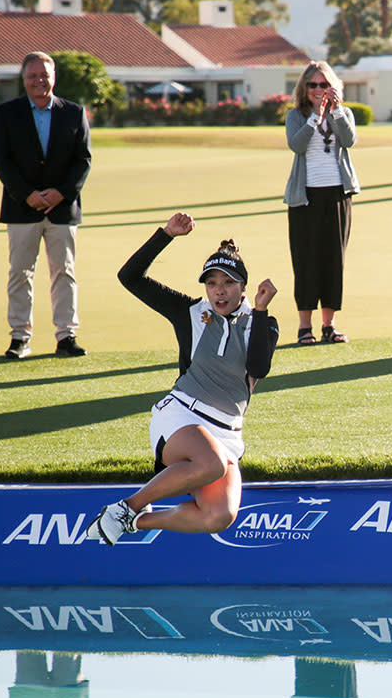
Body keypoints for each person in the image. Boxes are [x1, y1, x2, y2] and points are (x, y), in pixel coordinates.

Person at [87, 213, 279, 544]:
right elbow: (130, 277)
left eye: (228, 283)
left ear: (243, 286)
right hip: (181, 415)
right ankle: (126, 507)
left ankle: (134, 522)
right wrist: (165, 235)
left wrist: (260, 311)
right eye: (211, 283)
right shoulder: (190, 312)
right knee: (212, 464)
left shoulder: (261, 322)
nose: (219, 292)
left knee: (218, 516)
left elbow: (259, 368)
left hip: (227, 434)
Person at [0, 50, 92, 359]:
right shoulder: (6, 113)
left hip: (62, 209)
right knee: (20, 273)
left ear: (53, 78)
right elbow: (2, 161)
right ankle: (20, 337)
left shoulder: (73, 112)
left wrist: (61, 193)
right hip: (22, 208)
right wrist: (27, 194)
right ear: (24, 79)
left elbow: (83, 160)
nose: (39, 81)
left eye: (44, 75)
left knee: (64, 272)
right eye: (33, 76)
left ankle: (66, 336)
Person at [284, 61, 359, 345]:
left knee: (333, 260)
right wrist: (315, 116)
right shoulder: (296, 116)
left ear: (333, 86)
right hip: (304, 198)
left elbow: (349, 141)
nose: (318, 89)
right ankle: (305, 326)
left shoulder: (344, 113)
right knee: (306, 261)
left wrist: (335, 111)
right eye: (313, 84)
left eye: (324, 84)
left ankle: (330, 325)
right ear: (304, 88)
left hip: (337, 194)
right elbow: (297, 145)